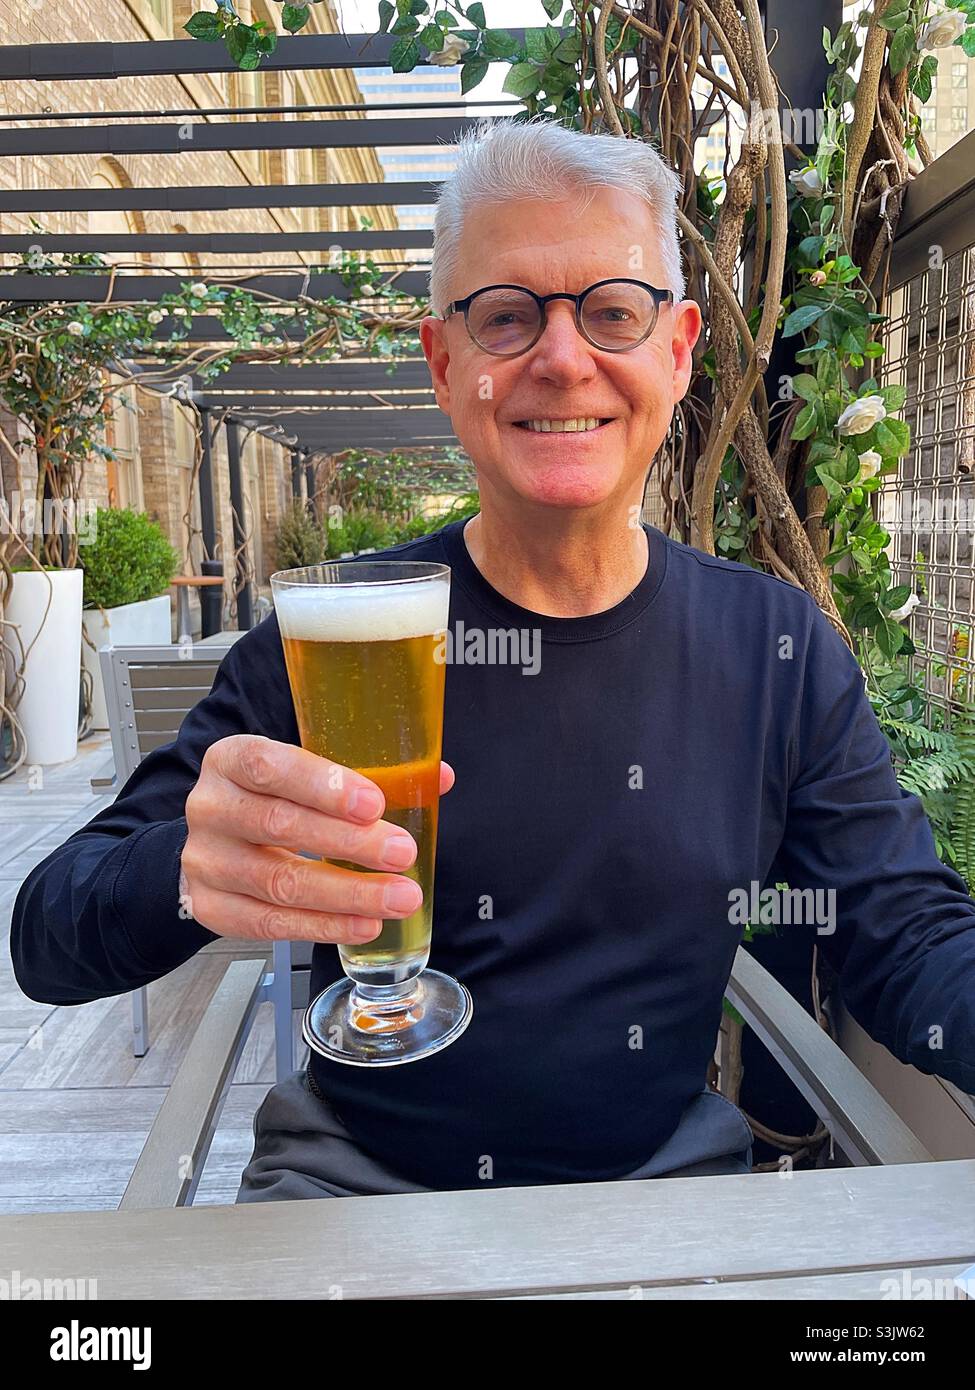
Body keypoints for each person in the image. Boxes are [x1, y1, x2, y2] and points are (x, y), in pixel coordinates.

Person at [11, 117, 975, 1203]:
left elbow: (905, 937)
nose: (562, 359)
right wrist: (184, 874)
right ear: (443, 363)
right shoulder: (332, 636)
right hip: (352, 1179)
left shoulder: (777, 650)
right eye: (507, 316)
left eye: (614, 311)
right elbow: (47, 937)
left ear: (677, 351)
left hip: (665, 1181)